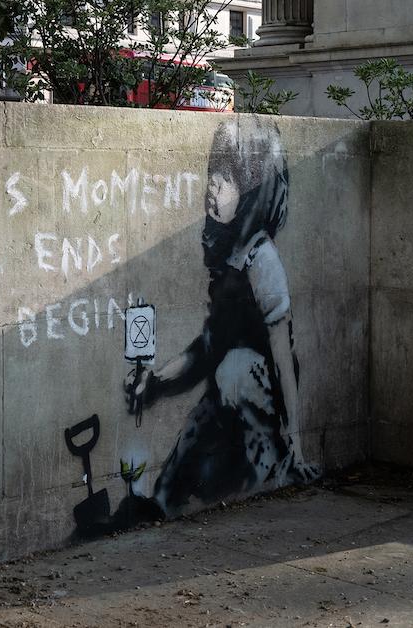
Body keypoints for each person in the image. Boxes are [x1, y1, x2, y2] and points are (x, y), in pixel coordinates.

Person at [125, 118, 316, 518]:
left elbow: (283, 356)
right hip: (227, 390)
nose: (212, 184)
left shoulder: (262, 261)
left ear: (253, 189)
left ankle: (275, 461)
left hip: (258, 399)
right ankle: (162, 502)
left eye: (226, 176)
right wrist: (156, 381)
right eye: (213, 172)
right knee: (191, 439)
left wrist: (296, 441)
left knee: (233, 369)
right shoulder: (229, 261)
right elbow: (206, 348)